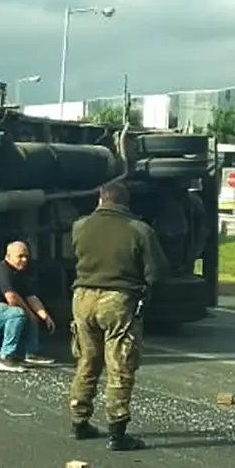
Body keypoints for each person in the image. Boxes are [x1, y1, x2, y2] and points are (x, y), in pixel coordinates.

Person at [68, 181, 170, 450]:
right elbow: (157, 272)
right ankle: (117, 431)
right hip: (118, 300)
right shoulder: (139, 230)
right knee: (120, 365)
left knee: (87, 361)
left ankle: (79, 421)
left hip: (82, 298)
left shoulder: (80, 226)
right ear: (126, 202)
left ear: (100, 199)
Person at [0, 240, 57, 372]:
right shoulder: (1, 270)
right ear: (8, 256)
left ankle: (29, 353)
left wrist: (45, 316)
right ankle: (5, 358)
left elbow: (31, 297)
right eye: (20, 256)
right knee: (18, 313)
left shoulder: (21, 273)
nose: (24, 260)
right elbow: (12, 298)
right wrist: (29, 314)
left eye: (26, 256)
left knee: (27, 313)